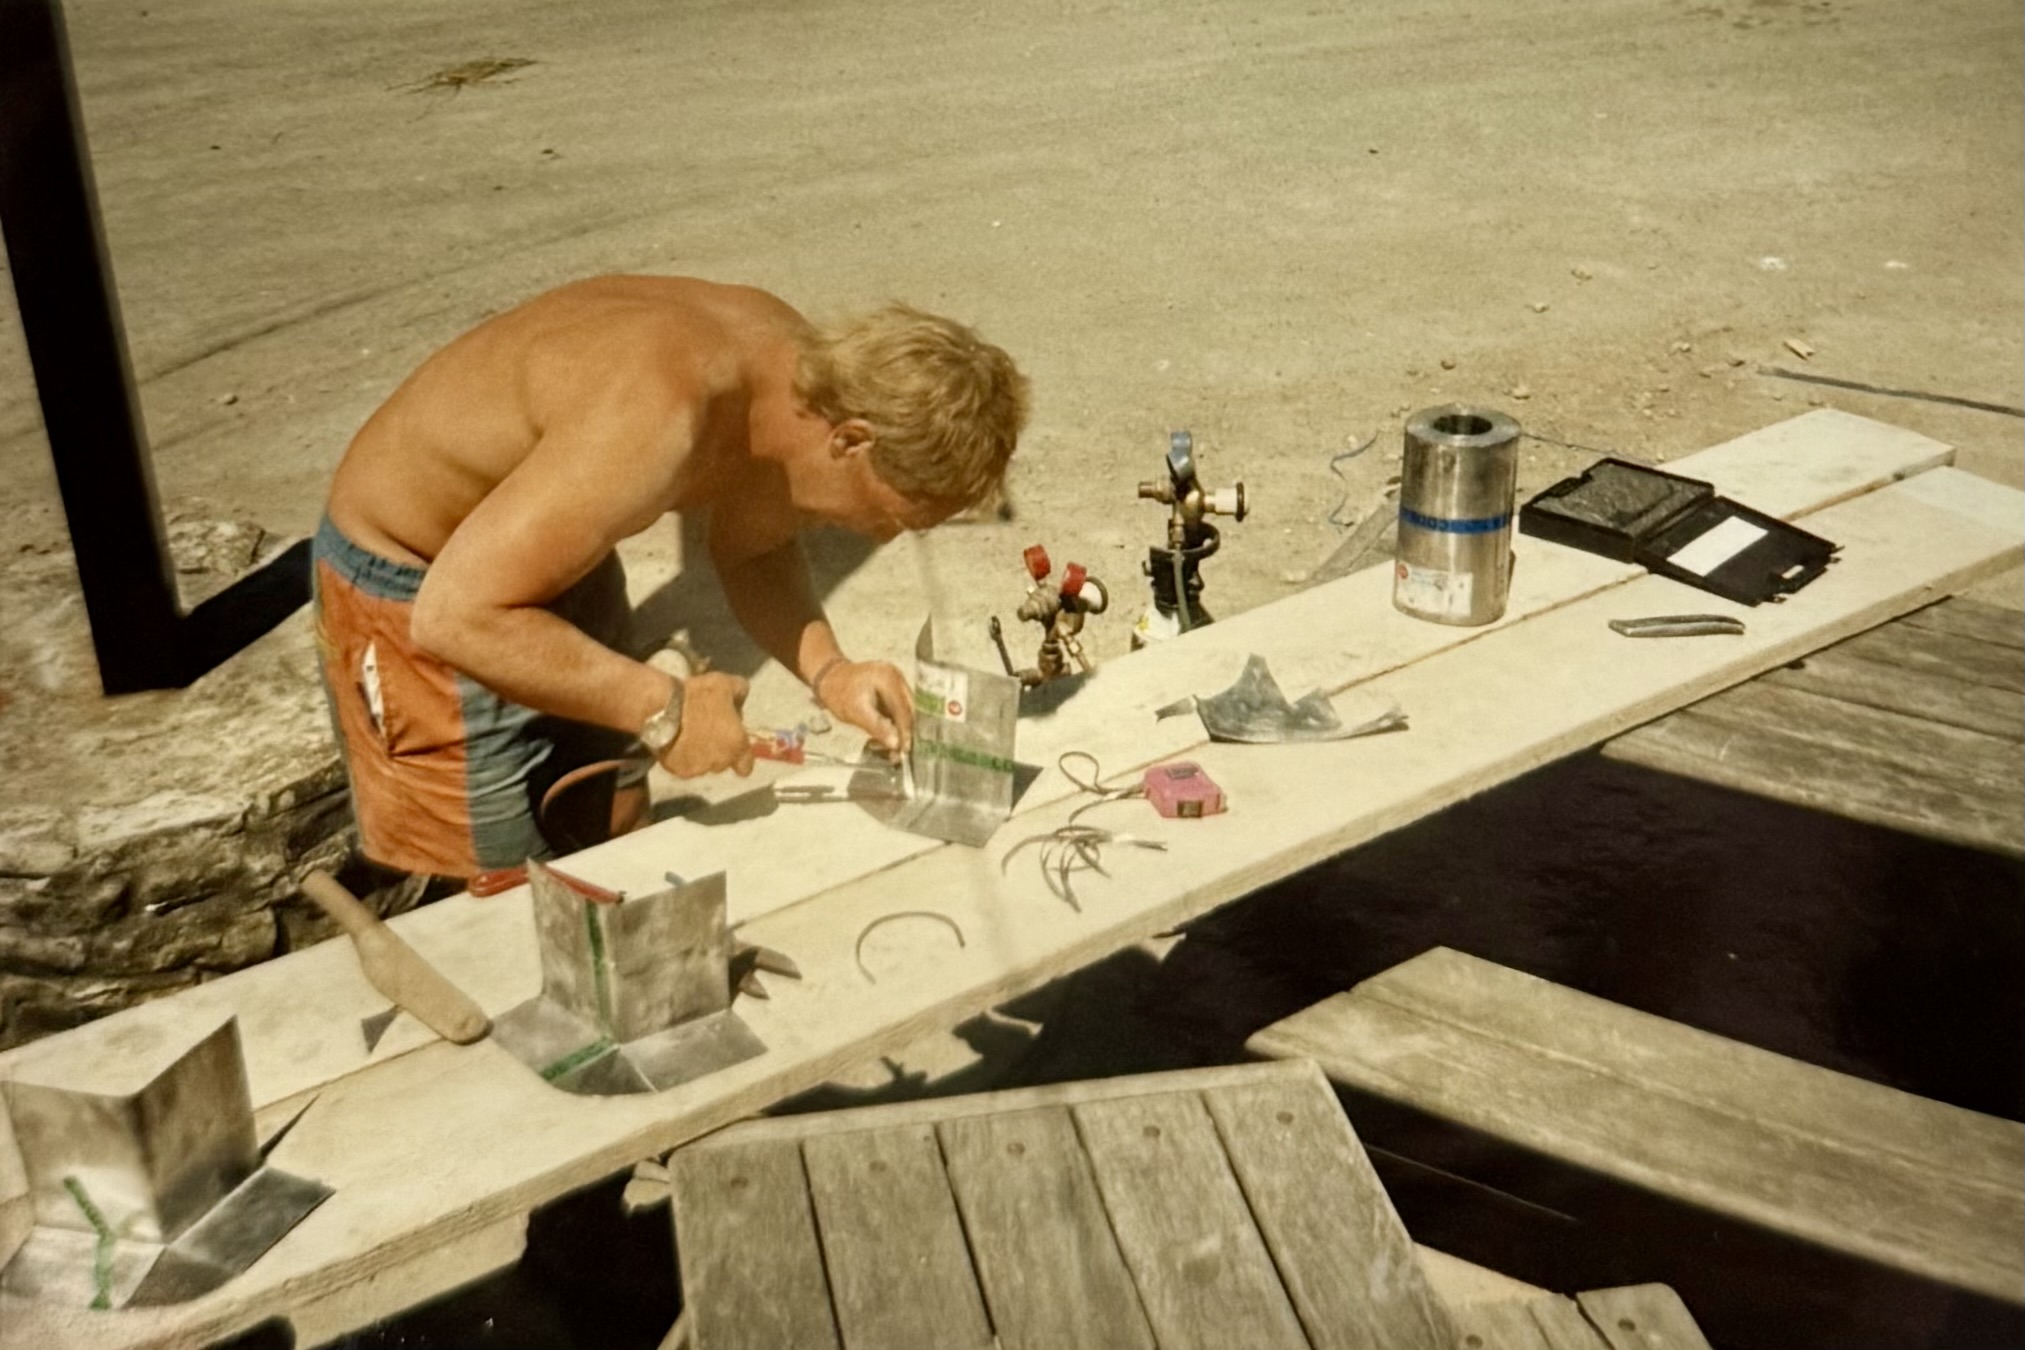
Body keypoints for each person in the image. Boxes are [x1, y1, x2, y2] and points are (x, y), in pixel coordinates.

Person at [311, 275, 1028, 879]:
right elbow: (456, 617)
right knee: (489, 888)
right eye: (895, 516)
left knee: (615, 827)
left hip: (547, 545)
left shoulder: (797, 385)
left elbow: (753, 548)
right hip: (416, 575)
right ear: (851, 441)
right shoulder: (662, 413)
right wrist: (663, 706)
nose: (883, 536)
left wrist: (829, 671)